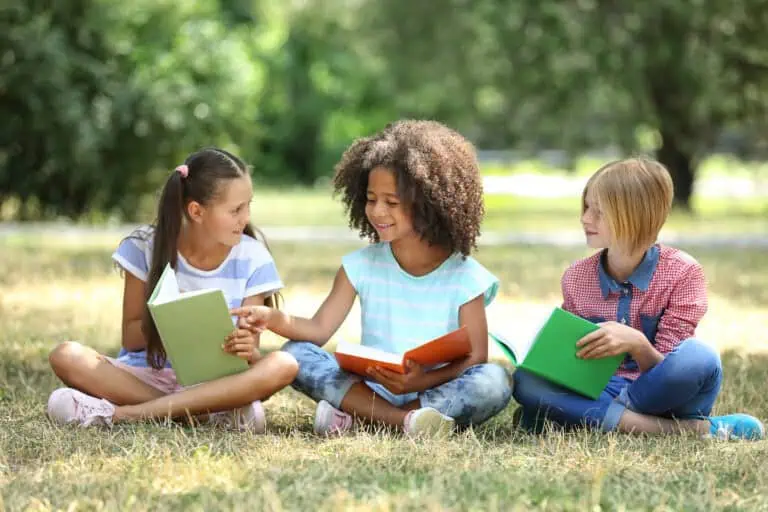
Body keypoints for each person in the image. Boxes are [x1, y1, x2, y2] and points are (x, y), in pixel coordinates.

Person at [233, 120, 513, 437]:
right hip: (370, 388)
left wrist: (419, 381)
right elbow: (317, 330)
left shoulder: (466, 276)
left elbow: (475, 357)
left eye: (392, 202)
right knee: (296, 353)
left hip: (433, 390)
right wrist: (271, 318)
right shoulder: (361, 265)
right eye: (371, 199)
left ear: (430, 205)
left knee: (494, 381)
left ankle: (365, 420)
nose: (378, 211)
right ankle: (404, 423)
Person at [512, 157, 764, 440]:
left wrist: (637, 343)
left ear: (634, 216)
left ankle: (576, 416)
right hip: (601, 388)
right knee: (525, 381)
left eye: (598, 211)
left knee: (700, 357)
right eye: (585, 207)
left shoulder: (683, 272)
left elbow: (671, 369)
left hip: (665, 394)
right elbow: (575, 362)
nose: (585, 218)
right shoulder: (576, 277)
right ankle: (686, 430)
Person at [46, 148, 298, 430]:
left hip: (216, 383)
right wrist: (175, 327)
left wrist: (249, 350)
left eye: (248, 205)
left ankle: (123, 414)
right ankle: (201, 415)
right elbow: (130, 337)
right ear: (196, 211)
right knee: (66, 355)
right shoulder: (144, 246)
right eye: (235, 210)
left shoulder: (254, 257)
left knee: (284, 364)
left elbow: (249, 353)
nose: (245, 217)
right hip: (146, 374)